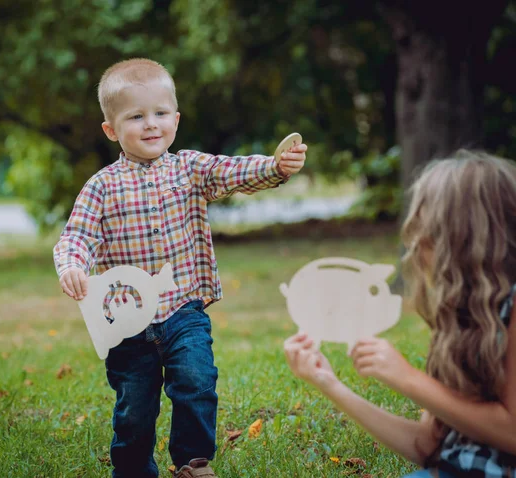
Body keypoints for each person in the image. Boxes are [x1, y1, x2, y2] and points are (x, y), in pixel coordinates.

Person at [54, 57, 307, 478]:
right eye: (136, 117)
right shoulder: (101, 187)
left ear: (176, 118)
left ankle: (193, 463)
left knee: (196, 381)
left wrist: (274, 167)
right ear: (111, 130)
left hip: (183, 310)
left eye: (159, 114)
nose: (151, 124)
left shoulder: (189, 169)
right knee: (135, 409)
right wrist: (71, 266)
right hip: (128, 323)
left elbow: (231, 172)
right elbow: (76, 237)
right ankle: (133, 469)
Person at [284, 151, 516, 477]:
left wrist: (407, 378)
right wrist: (330, 384)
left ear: (470, 235)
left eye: (430, 227)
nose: (418, 241)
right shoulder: (459, 318)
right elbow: (427, 446)